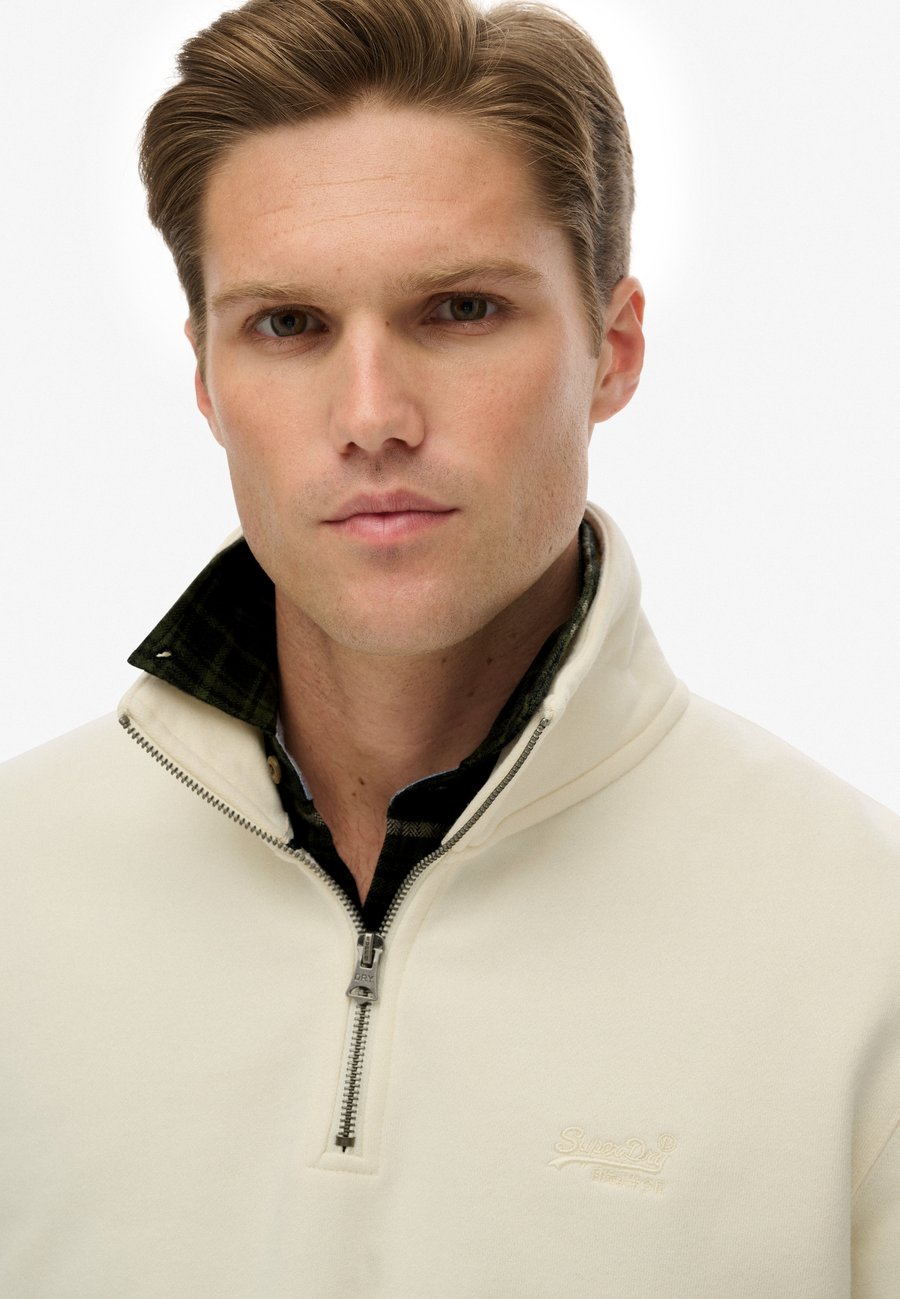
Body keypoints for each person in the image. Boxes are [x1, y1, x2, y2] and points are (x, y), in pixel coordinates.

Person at [1, 0, 897, 1293]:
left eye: (460, 309)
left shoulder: (866, 946)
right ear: (205, 381)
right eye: (289, 325)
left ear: (614, 350)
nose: (373, 416)